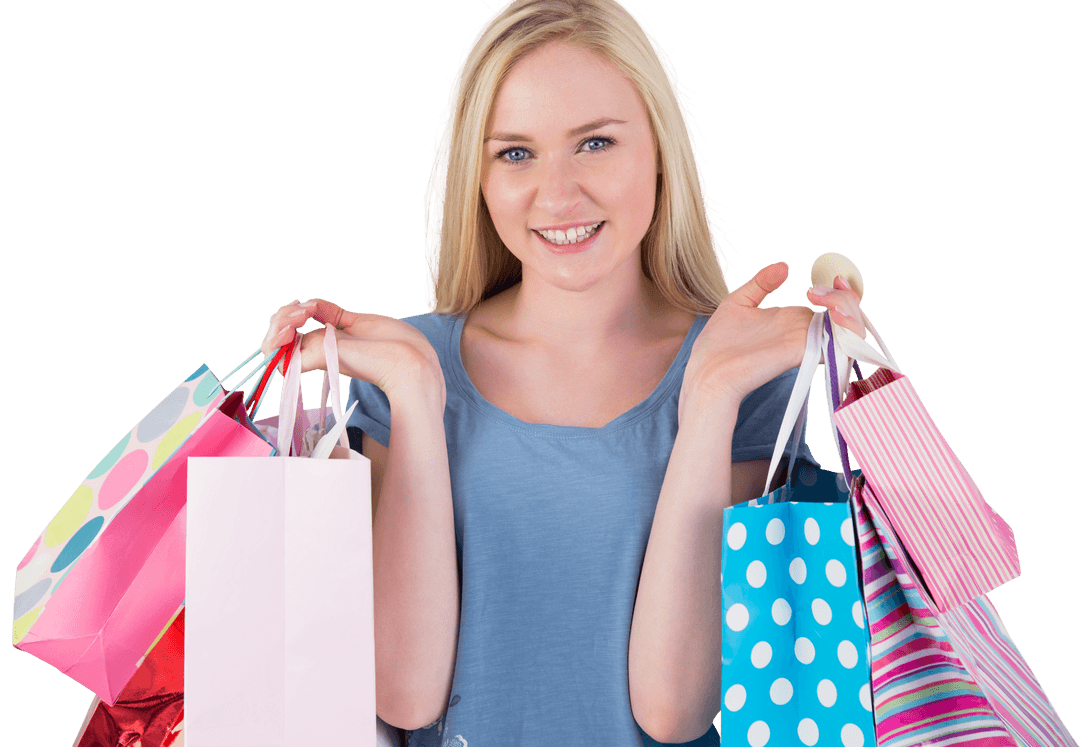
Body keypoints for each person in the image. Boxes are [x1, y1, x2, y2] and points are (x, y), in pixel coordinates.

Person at [260, 1, 866, 744]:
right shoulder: (406, 370)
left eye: (596, 143)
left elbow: (675, 707)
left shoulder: (737, 375)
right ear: (476, 177)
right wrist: (417, 398)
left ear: (660, 153)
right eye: (515, 153)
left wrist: (708, 402)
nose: (557, 194)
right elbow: (406, 695)